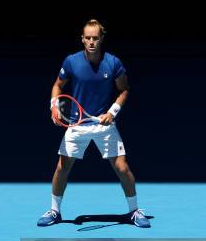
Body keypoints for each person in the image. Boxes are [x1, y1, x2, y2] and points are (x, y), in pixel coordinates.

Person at [37, 19, 150, 228]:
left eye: (95, 38)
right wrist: (54, 105)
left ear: (101, 39)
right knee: (62, 168)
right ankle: (54, 211)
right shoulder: (71, 61)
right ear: (82, 38)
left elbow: (124, 90)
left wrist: (112, 112)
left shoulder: (113, 63)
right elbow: (57, 85)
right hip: (77, 124)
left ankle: (134, 211)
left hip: (104, 125)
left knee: (123, 168)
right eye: (87, 38)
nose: (91, 42)